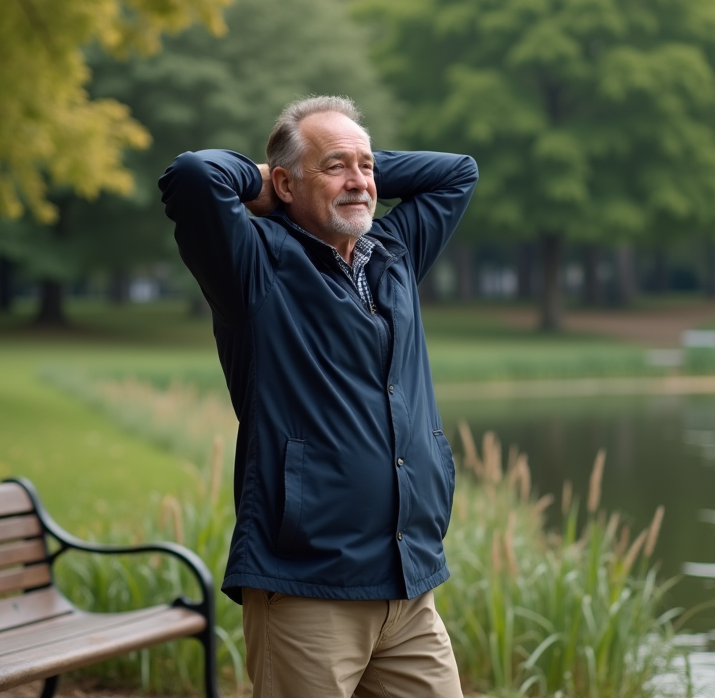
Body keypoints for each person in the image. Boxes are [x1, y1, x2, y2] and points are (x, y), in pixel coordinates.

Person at [159, 95, 477, 697]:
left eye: (367, 167)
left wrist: (340, 168)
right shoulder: (253, 266)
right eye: (335, 166)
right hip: (308, 586)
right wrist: (272, 184)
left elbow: (457, 172)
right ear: (282, 182)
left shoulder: (394, 254)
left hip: (408, 585)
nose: (360, 182)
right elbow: (195, 176)